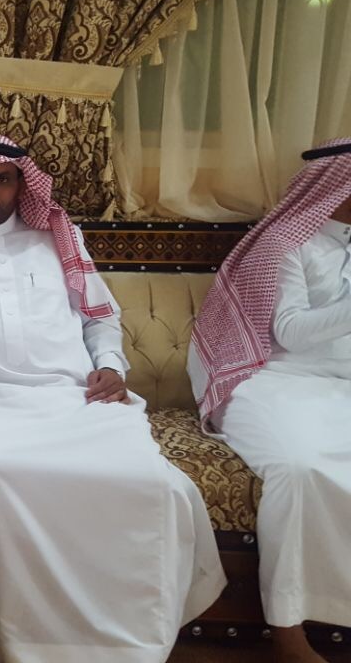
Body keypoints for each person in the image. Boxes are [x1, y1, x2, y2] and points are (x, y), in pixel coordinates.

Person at [0, 134, 226, 662]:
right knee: (0, 475)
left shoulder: (58, 238)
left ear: (21, 186)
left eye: (1, 180)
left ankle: (132, 647)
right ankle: (32, 647)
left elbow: (99, 318)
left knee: (156, 484)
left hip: (75, 398)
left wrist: (111, 367)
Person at [189, 138, 351, 662]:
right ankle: (287, 630)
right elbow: (291, 332)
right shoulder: (285, 243)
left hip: (341, 385)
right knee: (298, 468)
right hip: (269, 379)